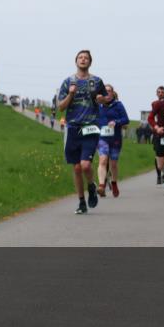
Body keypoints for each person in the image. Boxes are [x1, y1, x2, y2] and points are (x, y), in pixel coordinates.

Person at [55, 50, 111, 214]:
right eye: (80, 57)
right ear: (76, 61)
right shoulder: (68, 82)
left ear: (90, 62)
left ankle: (92, 186)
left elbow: (107, 99)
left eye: (86, 58)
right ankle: (81, 202)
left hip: (90, 127)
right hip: (73, 128)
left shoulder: (96, 81)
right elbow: (60, 107)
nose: (83, 60)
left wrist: (102, 99)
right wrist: (71, 94)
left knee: (86, 165)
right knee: (77, 168)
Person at [95, 84, 129, 197]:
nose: (107, 93)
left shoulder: (118, 105)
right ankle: (101, 185)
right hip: (102, 138)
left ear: (113, 93)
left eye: (109, 91)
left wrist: (116, 122)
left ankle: (114, 182)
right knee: (103, 160)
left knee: (113, 163)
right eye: (105, 91)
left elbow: (126, 119)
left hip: (115, 139)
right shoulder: (97, 106)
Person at [150, 85, 164, 184]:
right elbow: (152, 117)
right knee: (157, 154)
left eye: (162, 92)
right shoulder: (154, 103)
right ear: (156, 94)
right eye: (158, 92)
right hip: (157, 131)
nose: (160, 94)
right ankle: (159, 175)